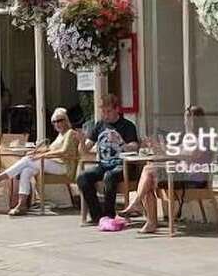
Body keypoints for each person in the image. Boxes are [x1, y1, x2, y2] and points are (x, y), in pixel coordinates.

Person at [119, 106, 210, 234]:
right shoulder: (188, 137)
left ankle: (142, 210)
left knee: (148, 172)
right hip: (181, 173)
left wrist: (168, 151)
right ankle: (144, 213)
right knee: (148, 172)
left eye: (190, 119)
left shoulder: (203, 137)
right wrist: (159, 147)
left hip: (194, 177)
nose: (187, 122)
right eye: (186, 119)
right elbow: (178, 152)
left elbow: (191, 154)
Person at [0, 107, 79, 216]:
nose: (57, 124)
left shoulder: (70, 133)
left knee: (27, 160)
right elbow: (51, 149)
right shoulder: (60, 135)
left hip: (64, 166)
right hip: (54, 163)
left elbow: (63, 151)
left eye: (60, 120)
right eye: (54, 122)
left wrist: (41, 155)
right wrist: (35, 152)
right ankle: (22, 204)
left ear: (66, 120)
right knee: (26, 170)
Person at [76, 94, 139, 223]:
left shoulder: (127, 125)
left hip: (124, 166)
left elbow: (134, 147)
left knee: (109, 176)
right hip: (104, 164)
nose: (106, 115)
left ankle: (109, 215)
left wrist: (120, 142)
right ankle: (97, 215)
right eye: (103, 111)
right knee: (83, 177)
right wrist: (82, 141)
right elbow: (85, 150)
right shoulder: (99, 125)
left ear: (117, 110)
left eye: (108, 111)